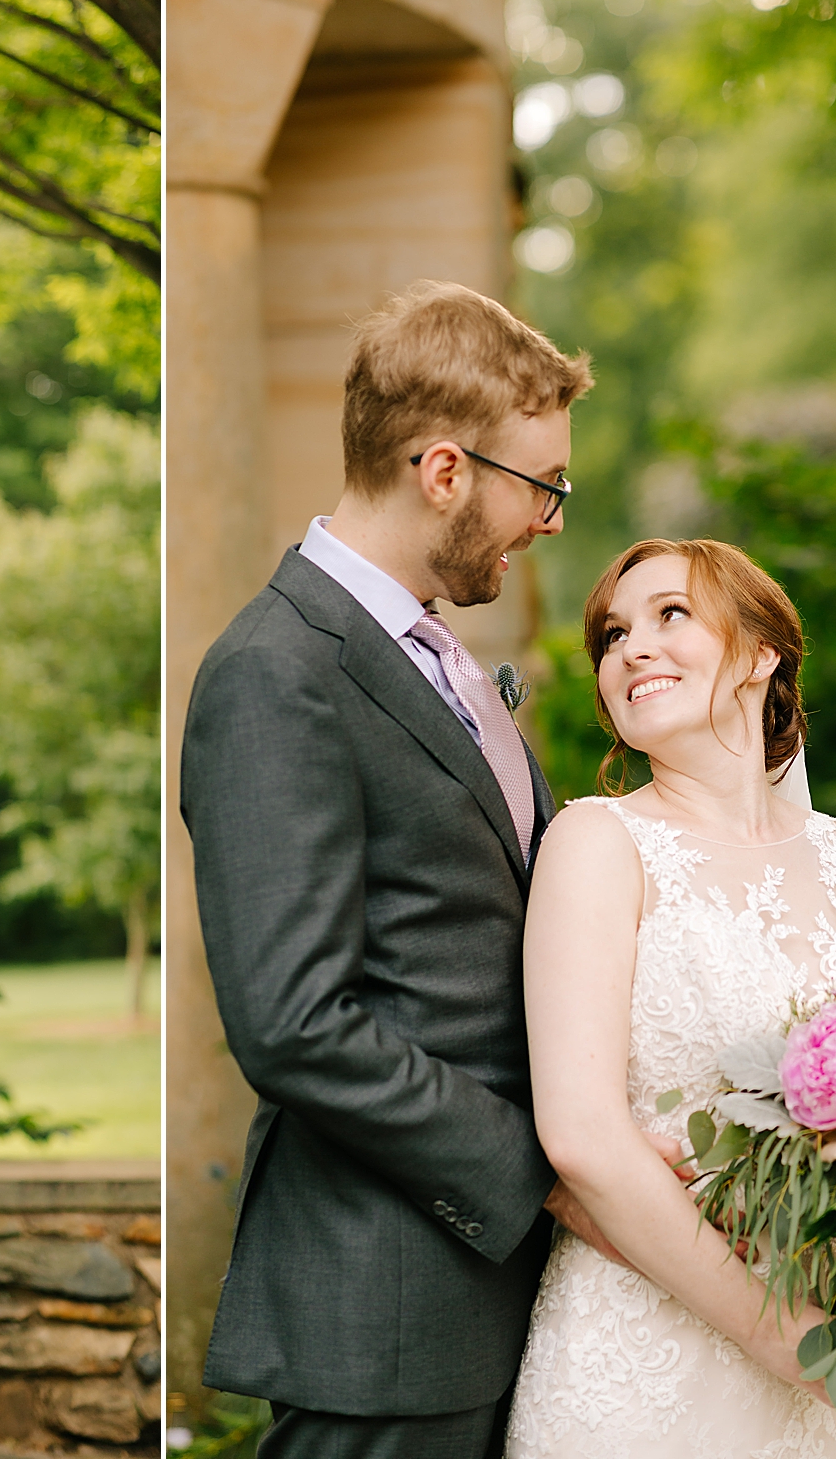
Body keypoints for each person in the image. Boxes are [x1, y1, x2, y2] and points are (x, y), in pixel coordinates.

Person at [181, 282, 616, 1459]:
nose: (551, 518)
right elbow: (293, 1020)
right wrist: (533, 1173)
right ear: (442, 469)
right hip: (385, 1308)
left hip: (494, 1298)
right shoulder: (277, 672)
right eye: (542, 485)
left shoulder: (426, 651)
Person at [505, 539, 836, 1458]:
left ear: (763, 654)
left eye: (671, 615)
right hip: (650, 1356)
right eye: (613, 635)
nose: (631, 648)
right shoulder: (598, 844)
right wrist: (786, 1337)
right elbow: (579, 1136)